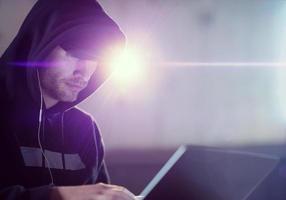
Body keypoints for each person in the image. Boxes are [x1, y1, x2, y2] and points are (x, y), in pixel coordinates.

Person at [0, 0, 137, 199]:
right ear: (40, 44)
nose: (85, 72)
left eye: (96, 59)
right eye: (76, 54)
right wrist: (60, 196)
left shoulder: (84, 128)